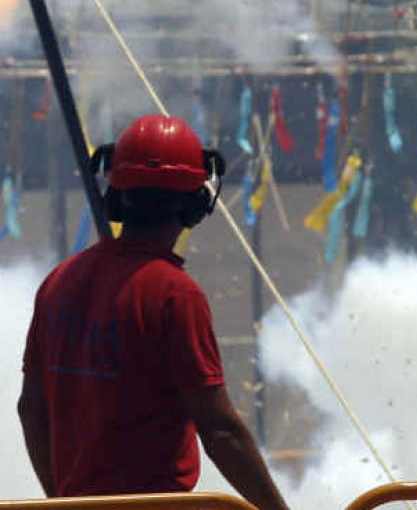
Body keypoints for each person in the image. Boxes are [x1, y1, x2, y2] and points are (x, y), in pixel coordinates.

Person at [18, 114, 289, 510]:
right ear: (195, 203)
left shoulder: (59, 282)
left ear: (116, 195)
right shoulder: (175, 295)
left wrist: (63, 502)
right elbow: (221, 433)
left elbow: (31, 410)